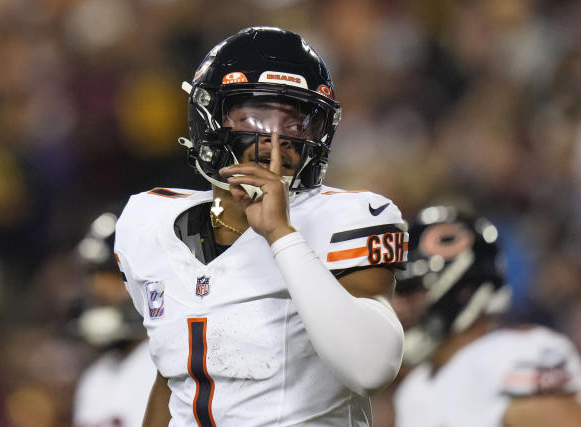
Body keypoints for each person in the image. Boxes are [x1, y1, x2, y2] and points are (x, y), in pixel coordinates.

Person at [114, 26, 407, 426]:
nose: (275, 140)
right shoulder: (148, 223)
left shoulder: (349, 218)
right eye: (255, 116)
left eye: (296, 123)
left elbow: (371, 368)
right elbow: (174, 378)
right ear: (209, 118)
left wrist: (281, 236)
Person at [392, 205, 581, 427]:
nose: (397, 307)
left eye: (412, 293)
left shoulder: (510, 356)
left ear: (464, 290)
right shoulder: (414, 389)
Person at [71, 212, 157, 427]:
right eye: (94, 275)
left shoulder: (178, 364)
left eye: (114, 275)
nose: (99, 289)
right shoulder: (96, 377)